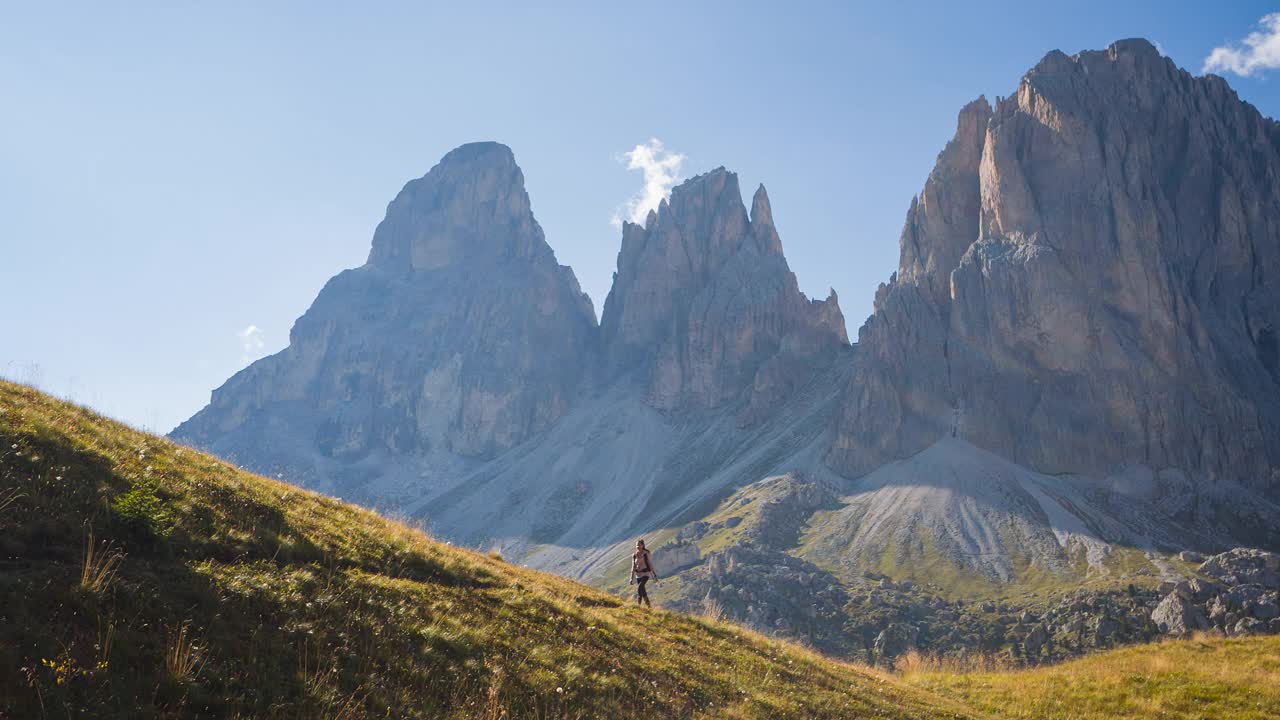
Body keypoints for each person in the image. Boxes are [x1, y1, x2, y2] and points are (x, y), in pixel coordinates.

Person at [630, 539, 658, 607]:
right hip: (638, 575)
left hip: (645, 574)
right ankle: (648, 606)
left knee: (640, 587)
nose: (637, 546)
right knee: (642, 591)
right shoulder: (634, 555)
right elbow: (633, 566)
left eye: (639, 545)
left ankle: (638, 605)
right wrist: (631, 578)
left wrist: (654, 574)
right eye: (636, 545)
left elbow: (650, 564)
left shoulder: (645, 553)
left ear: (642, 545)